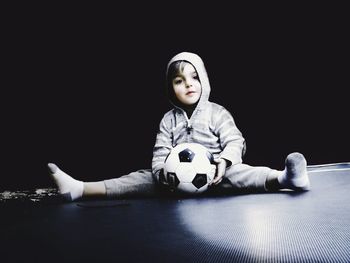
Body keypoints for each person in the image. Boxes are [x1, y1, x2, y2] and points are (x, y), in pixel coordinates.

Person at [48, 51, 310, 201]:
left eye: (194, 77)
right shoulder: (168, 120)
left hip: (217, 177)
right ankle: (80, 188)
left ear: (204, 80)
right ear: (170, 88)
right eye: (179, 80)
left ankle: (287, 178)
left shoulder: (217, 112)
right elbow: (160, 152)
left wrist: (224, 161)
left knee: (246, 175)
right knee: (138, 179)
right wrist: (164, 173)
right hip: (173, 183)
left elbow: (235, 141)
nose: (188, 84)